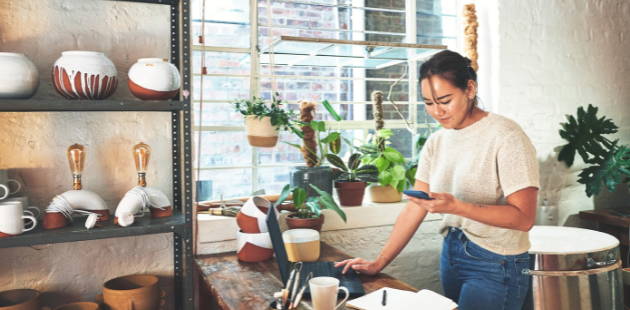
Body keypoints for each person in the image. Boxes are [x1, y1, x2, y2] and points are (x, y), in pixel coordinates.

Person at [334, 50, 539, 310]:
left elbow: (524, 218)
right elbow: (414, 206)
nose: (437, 111)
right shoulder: (437, 140)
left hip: (496, 262)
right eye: (429, 103)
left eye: (444, 100)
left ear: (470, 88)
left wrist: (457, 207)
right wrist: (379, 262)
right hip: (452, 254)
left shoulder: (506, 136)